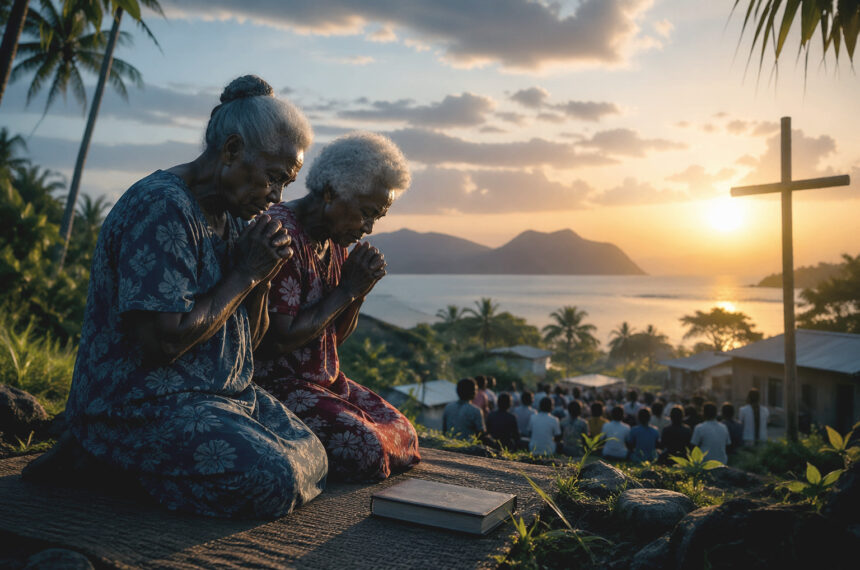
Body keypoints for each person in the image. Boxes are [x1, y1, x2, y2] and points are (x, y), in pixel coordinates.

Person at [24, 76, 328, 518]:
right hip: (140, 405)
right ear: (231, 150)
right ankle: (99, 454)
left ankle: (118, 465)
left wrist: (261, 278)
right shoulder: (161, 206)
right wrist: (244, 273)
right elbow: (163, 341)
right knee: (272, 479)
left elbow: (253, 339)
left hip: (223, 399)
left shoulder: (236, 216)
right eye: (274, 178)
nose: (277, 197)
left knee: (314, 453)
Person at [253, 132, 419, 481]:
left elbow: (334, 338)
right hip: (277, 386)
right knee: (366, 448)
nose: (368, 228)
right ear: (330, 193)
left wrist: (358, 292)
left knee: (404, 432)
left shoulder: (334, 242)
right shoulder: (281, 233)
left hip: (323, 383)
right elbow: (277, 341)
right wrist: (346, 291)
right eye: (365, 214)